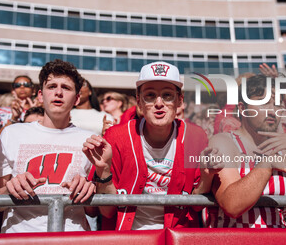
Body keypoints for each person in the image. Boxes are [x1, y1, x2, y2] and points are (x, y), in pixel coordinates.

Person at [83, 61, 207, 230]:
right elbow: (107, 211)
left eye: (167, 95)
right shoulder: (117, 136)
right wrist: (103, 171)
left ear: (179, 101)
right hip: (128, 238)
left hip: (177, 237)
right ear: (139, 102)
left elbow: (197, 206)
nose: (159, 103)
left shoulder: (196, 136)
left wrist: (208, 175)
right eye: (150, 95)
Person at [197, 75, 286, 228]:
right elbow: (233, 205)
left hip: (281, 239)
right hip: (235, 238)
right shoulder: (224, 142)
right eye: (263, 103)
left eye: (277, 105)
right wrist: (267, 164)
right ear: (243, 108)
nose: (272, 111)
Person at [0, 59, 96, 233]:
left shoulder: (89, 140)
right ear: (40, 96)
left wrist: (91, 190)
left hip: (72, 238)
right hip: (19, 238)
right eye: (52, 87)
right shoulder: (11, 134)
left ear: (77, 98)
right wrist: (10, 188)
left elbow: (94, 212)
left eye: (66, 88)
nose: (58, 93)